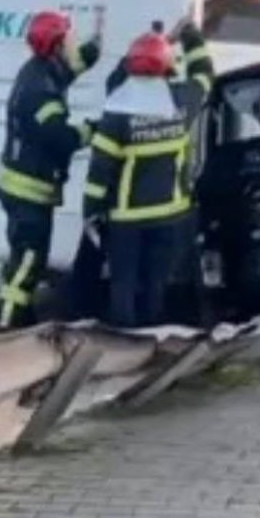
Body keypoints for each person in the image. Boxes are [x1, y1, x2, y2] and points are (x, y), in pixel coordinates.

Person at [82, 18, 214, 328]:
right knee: (156, 285)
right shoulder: (182, 102)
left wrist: (91, 212)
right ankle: (151, 341)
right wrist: (190, 38)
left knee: (123, 285)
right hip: (171, 216)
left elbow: (99, 171)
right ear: (166, 66)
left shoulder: (117, 112)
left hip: (127, 221)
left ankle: (123, 346)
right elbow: (204, 75)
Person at [0, 11, 101, 331]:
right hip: (28, 191)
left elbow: (72, 67)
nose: (72, 42)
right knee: (29, 258)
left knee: (23, 256)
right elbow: (61, 138)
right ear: (55, 45)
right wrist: (93, 129)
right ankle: (8, 322)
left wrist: (95, 47)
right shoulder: (39, 90)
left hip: (25, 187)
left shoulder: (45, 71)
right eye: (67, 37)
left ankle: (13, 313)